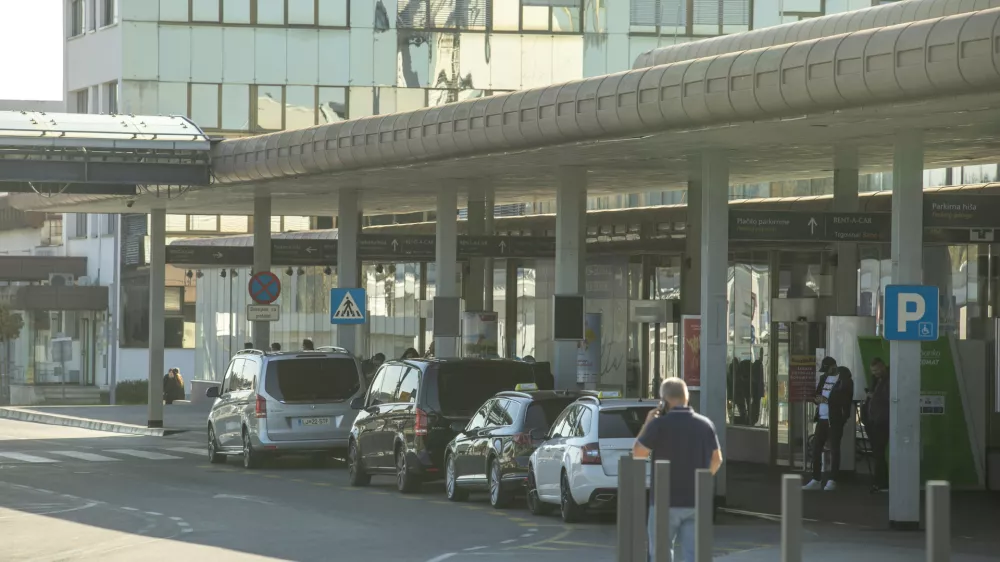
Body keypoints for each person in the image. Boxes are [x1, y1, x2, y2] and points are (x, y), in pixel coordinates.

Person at [633, 377, 723, 562]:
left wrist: (647, 424)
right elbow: (717, 459)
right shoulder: (705, 424)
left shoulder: (659, 425)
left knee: (660, 555)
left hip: (663, 500)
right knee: (695, 555)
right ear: (687, 398)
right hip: (696, 500)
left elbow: (638, 454)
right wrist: (703, 479)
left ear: (663, 401)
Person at [803, 359, 854, 491]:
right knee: (816, 448)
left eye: (828, 369)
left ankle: (832, 479)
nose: (826, 372)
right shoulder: (823, 378)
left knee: (834, 449)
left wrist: (828, 401)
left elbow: (845, 400)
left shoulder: (845, 381)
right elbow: (817, 394)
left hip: (835, 419)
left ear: (834, 366)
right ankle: (816, 479)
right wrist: (816, 399)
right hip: (822, 418)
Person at [865, 357, 890, 493]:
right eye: (872, 371)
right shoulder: (876, 380)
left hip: (883, 420)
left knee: (879, 453)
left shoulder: (888, 380)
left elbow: (889, 397)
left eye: (876, 370)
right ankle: (880, 481)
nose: (874, 373)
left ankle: (881, 482)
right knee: (877, 453)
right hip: (875, 420)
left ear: (882, 367)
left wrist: (873, 396)